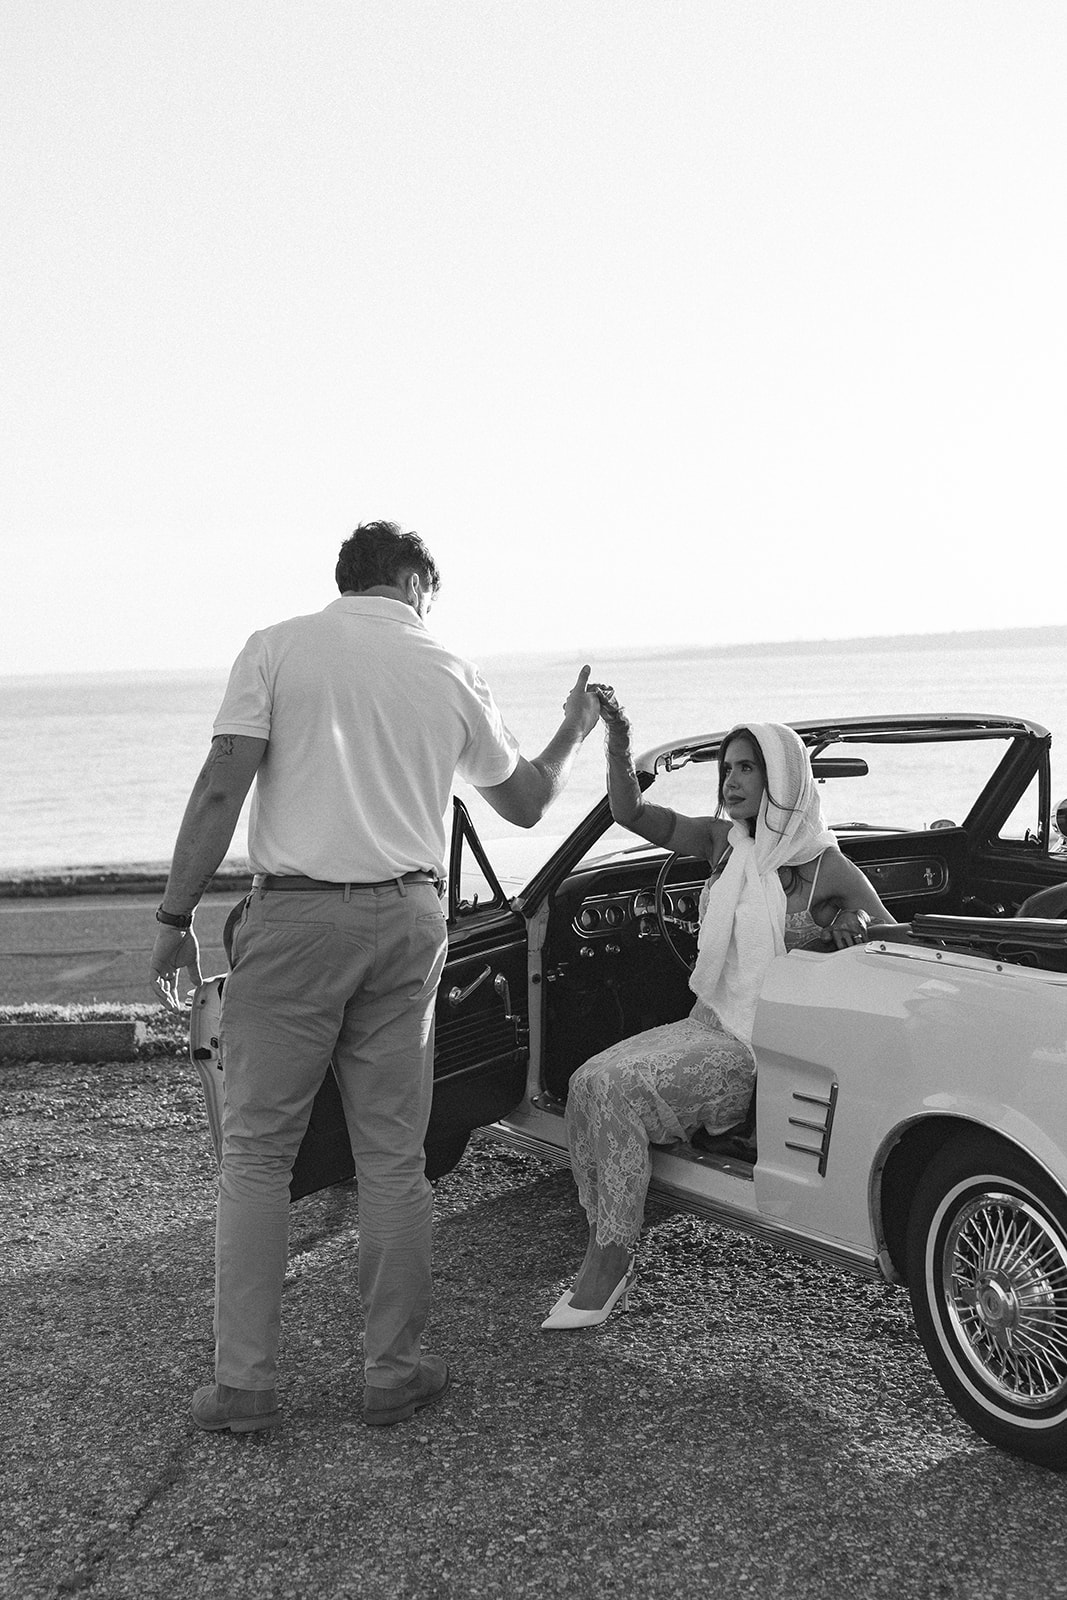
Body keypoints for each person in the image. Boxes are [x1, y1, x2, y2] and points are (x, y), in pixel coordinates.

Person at [150, 521, 602, 1430]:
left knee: (257, 1154)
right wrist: (572, 729)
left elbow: (219, 786)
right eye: (429, 592)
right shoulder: (444, 666)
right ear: (408, 579)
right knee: (393, 1156)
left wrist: (174, 915)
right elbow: (523, 804)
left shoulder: (276, 649)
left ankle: (245, 1385)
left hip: (297, 918)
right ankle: (390, 1371)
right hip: (408, 918)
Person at [541, 695, 893, 1331]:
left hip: (761, 1050)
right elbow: (629, 811)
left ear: (780, 779)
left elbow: (896, 947)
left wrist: (852, 920)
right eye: (726, 769)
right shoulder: (720, 842)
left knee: (613, 1090)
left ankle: (611, 1259)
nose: (730, 781)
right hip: (707, 1023)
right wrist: (619, 736)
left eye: (746, 770)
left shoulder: (824, 867)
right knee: (583, 1081)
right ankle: (606, 1232)